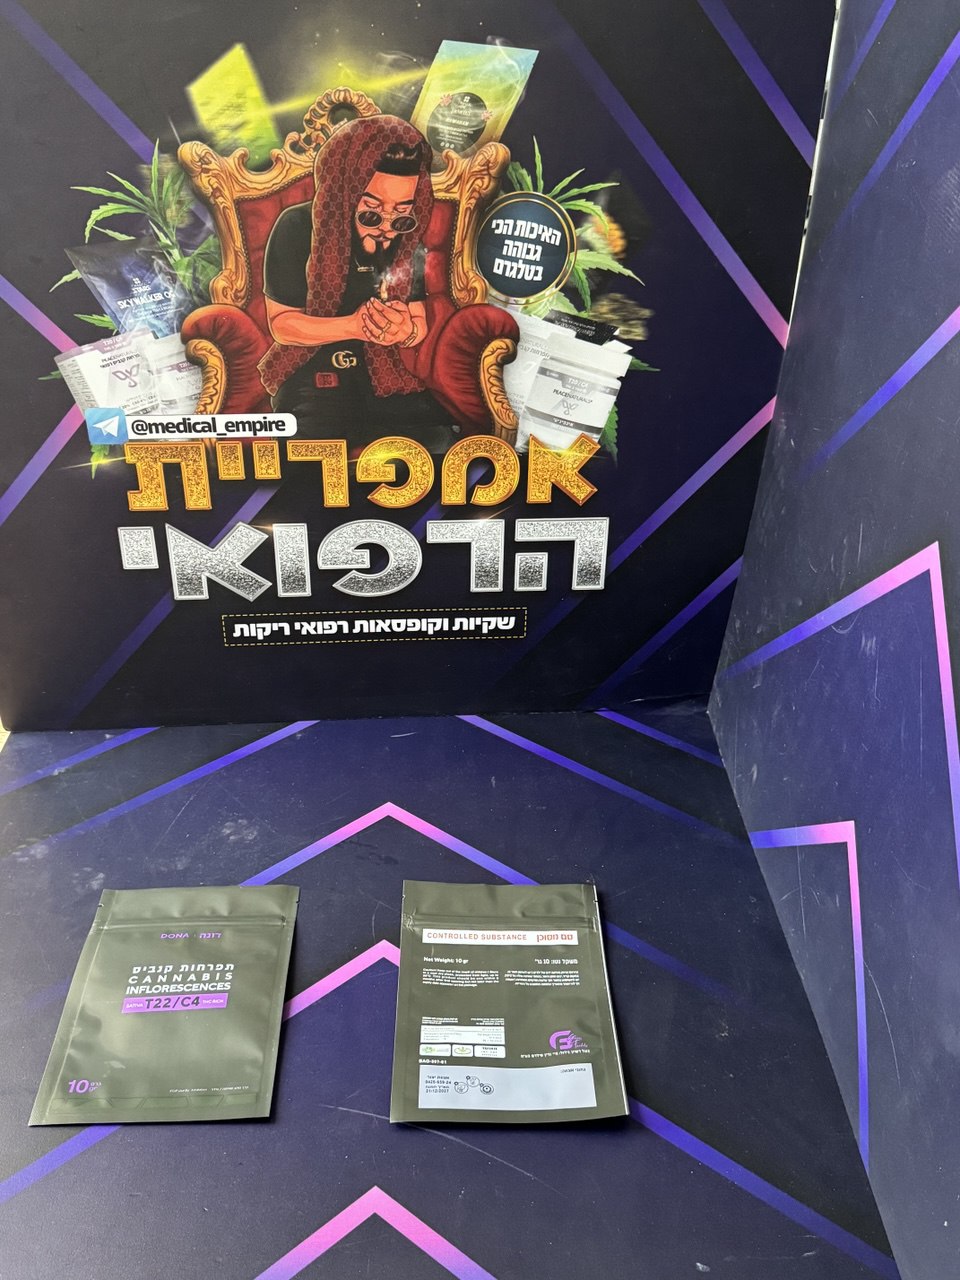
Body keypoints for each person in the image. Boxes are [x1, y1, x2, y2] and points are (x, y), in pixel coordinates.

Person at [258, 115, 454, 449]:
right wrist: (354, 326)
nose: (387, 228)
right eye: (372, 213)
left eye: (401, 214)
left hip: (387, 379)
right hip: (316, 378)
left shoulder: (408, 237)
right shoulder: (297, 227)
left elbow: (418, 321)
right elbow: (282, 325)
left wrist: (404, 330)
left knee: (441, 442)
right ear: (344, 194)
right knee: (308, 458)